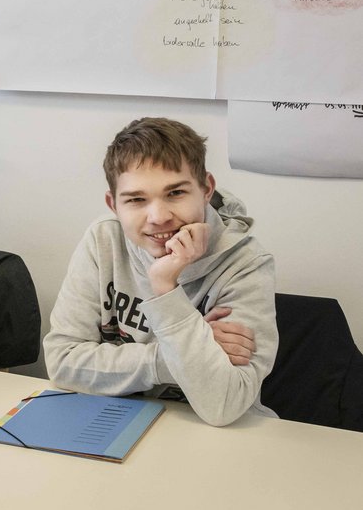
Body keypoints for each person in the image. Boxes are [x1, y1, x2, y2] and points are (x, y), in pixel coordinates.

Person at [43, 117, 278, 426]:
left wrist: (164, 287)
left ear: (206, 188)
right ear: (113, 204)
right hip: (111, 421)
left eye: (175, 193)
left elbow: (225, 404)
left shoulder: (245, 263)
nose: (158, 217)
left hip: (212, 438)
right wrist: (174, 356)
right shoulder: (104, 239)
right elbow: (62, 362)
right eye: (136, 200)